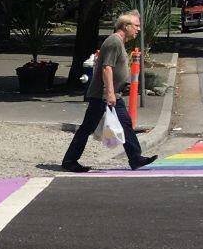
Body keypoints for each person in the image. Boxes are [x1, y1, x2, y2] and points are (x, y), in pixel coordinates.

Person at [60, 11, 156, 173]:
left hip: (113, 94)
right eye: (136, 26)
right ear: (126, 26)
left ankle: (135, 158)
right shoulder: (113, 42)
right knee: (87, 127)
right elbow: (107, 68)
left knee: (125, 123)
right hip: (103, 94)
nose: (138, 29)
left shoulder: (119, 42)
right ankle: (69, 160)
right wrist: (110, 92)